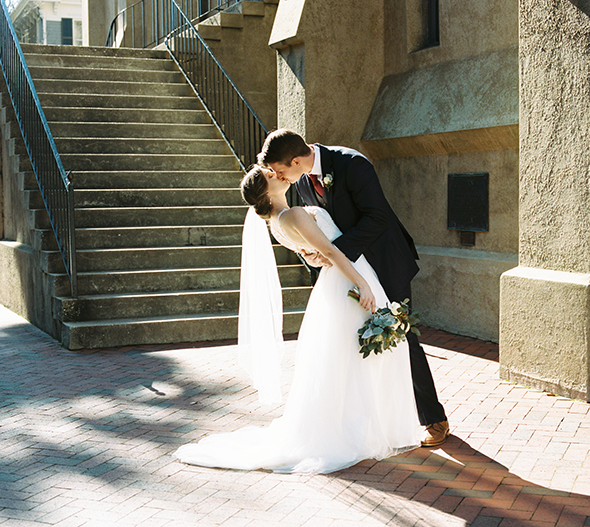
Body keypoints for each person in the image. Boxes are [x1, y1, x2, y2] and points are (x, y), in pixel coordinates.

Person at [174, 166, 421, 474]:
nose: (277, 174)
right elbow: (330, 251)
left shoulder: (277, 222)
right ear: (266, 192)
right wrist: (363, 283)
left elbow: (313, 254)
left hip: (335, 284)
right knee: (359, 357)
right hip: (348, 281)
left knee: (348, 359)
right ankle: (357, 430)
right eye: (269, 176)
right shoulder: (293, 216)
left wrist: (320, 258)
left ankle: (359, 425)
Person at [258, 129, 450, 447]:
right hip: (352, 271)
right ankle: (376, 422)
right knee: (361, 343)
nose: (278, 176)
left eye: (280, 170)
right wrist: (317, 253)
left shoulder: (352, 163)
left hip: (386, 263)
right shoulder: (303, 180)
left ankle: (434, 419)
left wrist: (333, 252)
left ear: (294, 161)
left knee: (402, 337)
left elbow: (377, 218)